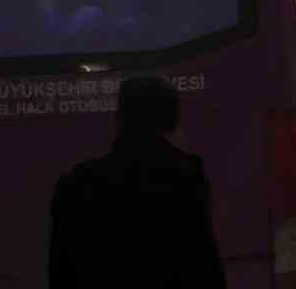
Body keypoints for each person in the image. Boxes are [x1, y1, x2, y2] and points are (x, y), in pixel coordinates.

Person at [49, 75, 226, 289]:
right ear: (172, 119)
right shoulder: (186, 177)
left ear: (119, 117)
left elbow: (60, 271)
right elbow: (205, 265)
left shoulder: (76, 182)